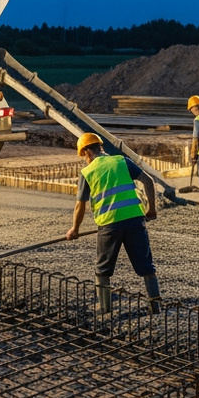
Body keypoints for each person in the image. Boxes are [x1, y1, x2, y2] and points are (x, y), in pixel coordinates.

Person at [66, 133, 162, 314]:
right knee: (146, 266)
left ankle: (104, 309)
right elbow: (148, 181)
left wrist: (75, 229)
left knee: (102, 269)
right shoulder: (121, 161)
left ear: (87, 151)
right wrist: (151, 209)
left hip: (109, 225)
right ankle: (155, 306)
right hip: (135, 219)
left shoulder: (88, 172)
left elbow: (80, 204)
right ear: (100, 147)